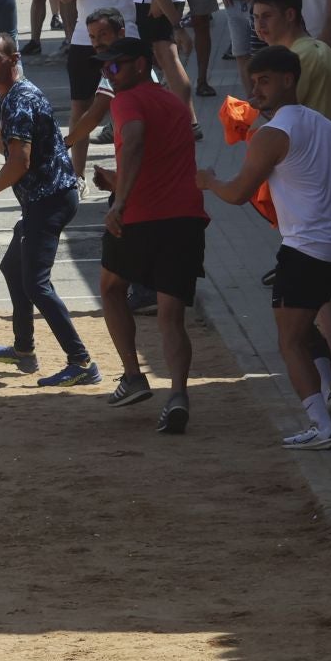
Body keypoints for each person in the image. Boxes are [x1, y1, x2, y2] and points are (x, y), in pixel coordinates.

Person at [197, 45, 331, 449]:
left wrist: (209, 180)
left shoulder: (272, 134)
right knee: (303, 331)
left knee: (287, 341)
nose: (256, 90)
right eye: (253, 82)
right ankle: (328, 394)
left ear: (288, 79)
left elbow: (236, 194)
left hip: (305, 249)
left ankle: (321, 425)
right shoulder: (324, 124)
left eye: (264, 81)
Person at [0, 33, 96, 386]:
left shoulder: (19, 101)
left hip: (49, 200)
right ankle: (24, 348)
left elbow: (18, 163)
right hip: (47, 197)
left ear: (13, 58)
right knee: (13, 267)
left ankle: (81, 362)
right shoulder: (15, 95)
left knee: (37, 284)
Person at [89, 36, 204, 429]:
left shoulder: (126, 100)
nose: (108, 71)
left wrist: (119, 203)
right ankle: (178, 395)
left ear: (140, 64)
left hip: (140, 218)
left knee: (109, 287)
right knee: (171, 316)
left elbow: (135, 142)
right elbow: (163, 166)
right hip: (185, 219)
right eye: (104, 66)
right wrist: (117, 182)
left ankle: (133, 375)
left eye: (115, 65)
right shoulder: (174, 102)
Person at [54, 0, 152, 175]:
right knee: (80, 109)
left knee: (127, 107)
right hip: (86, 41)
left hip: (124, 41)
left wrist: (172, 26)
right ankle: (77, 176)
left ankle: (130, 172)